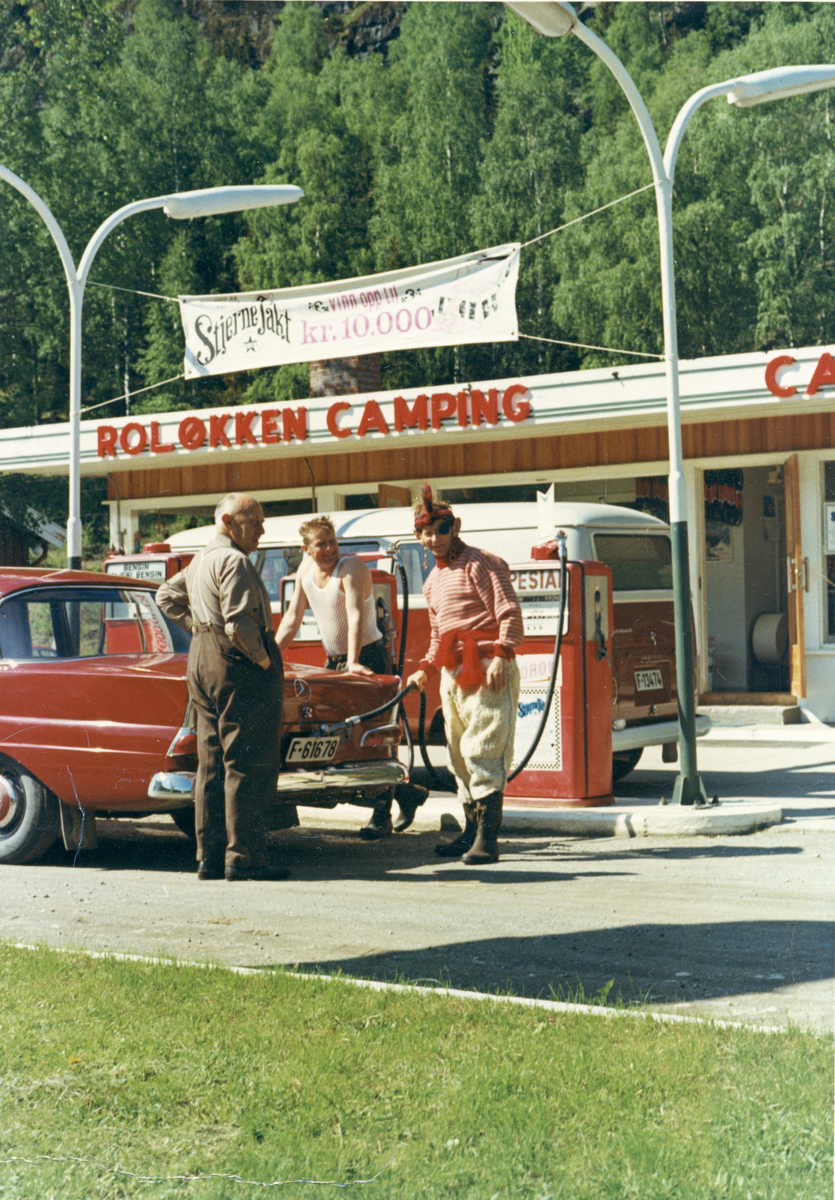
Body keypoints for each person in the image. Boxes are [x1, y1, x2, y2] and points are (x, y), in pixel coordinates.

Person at [157, 493, 288, 882]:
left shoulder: (203, 558)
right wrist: (264, 662)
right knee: (247, 760)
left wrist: (200, 628)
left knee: (211, 760)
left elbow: (166, 596)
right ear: (229, 521)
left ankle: (209, 857)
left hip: (201, 657)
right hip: (236, 661)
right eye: (255, 520)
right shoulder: (234, 560)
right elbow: (238, 624)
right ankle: (244, 857)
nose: (262, 529)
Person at [275, 515, 425, 839]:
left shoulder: (351, 567)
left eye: (332, 541)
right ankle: (407, 794)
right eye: (321, 544)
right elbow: (292, 618)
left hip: (368, 655)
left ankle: (382, 815)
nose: (329, 549)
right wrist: (269, 659)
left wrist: (354, 661)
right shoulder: (304, 572)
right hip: (336, 660)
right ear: (306, 549)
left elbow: (356, 614)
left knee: (377, 732)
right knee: (342, 737)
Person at [406, 486, 523, 864]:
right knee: (458, 753)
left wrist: (503, 656)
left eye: (441, 530)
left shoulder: (481, 563)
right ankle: (470, 831)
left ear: (455, 527)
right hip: (451, 672)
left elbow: (508, 612)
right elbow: (438, 635)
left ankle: (488, 840)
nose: (433, 539)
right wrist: (424, 669)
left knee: (482, 748)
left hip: (487, 665)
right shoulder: (431, 582)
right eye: (425, 532)